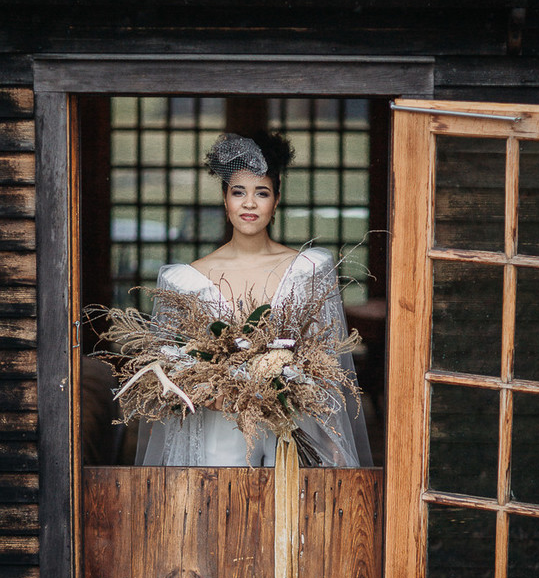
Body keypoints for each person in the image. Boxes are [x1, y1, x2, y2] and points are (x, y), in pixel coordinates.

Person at [135, 132, 372, 468]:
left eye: (261, 193)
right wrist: (210, 388)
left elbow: (328, 361)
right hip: (219, 424)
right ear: (225, 199)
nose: (249, 203)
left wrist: (323, 427)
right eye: (238, 192)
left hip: (292, 424)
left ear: (276, 200)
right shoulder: (185, 281)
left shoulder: (309, 270)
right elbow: (172, 367)